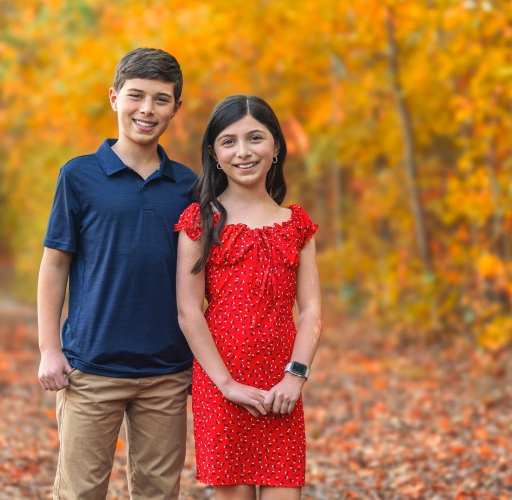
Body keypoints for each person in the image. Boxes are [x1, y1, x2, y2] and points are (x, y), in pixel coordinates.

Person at [37, 48, 197, 499]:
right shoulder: (79, 176)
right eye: (136, 96)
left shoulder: (188, 185)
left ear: (176, 109)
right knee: (80, 491)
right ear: (114, 98)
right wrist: (50, 349)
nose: (147, 109)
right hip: (91, 368)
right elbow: (55, 264)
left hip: (166, 371)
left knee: (158, 492)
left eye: (161, 100)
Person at [175, 95, 322, 499]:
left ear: (275, 145)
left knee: (284, 492)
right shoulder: (201, 220)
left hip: (281, 387)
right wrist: (226, 384)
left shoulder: (296, 224)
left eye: (255, 138)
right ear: (213, 153)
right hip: (221, 385)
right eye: (229, 141)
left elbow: (310, 311)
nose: (243, 152)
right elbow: (189, 312)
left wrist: (296, 376)